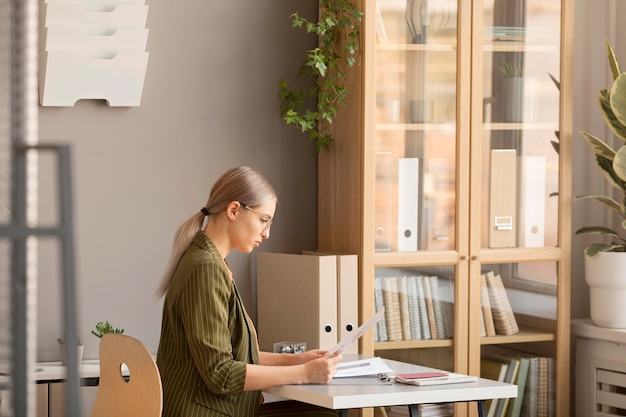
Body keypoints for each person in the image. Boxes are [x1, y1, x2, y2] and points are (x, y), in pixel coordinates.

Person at [155, 166, 342, 417]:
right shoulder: (205, 269)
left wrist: (298, 361)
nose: (267, 233)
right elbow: (220, 374)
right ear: (233, 210)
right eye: (263, 220)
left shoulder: (209, 261)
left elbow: (237, 357)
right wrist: (304, 374)